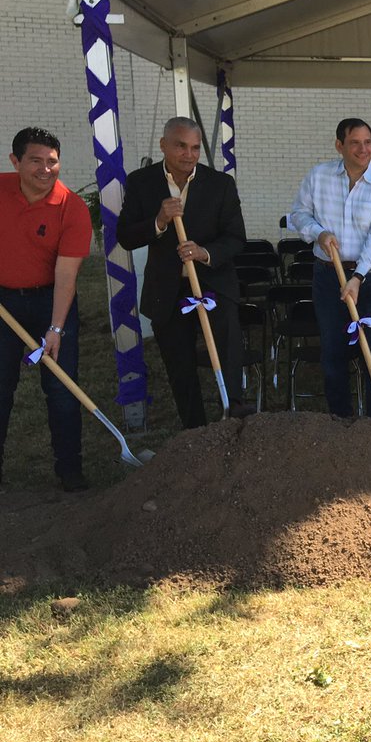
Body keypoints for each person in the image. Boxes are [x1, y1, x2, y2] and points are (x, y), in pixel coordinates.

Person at [118, 117, 250, 428]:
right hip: (167, 289)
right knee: (180, 365)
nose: (189, 155)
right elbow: (126, 236)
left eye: (194, 148)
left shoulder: (220, 184)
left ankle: (233, 420)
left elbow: (236, 238)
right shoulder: (141, 182)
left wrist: (204, 252)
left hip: (213, 285)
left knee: (228, 355)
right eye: (180, 146)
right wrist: (159, 222)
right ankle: (195, 431)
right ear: (163, 145)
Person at [290, 117, 371, 419]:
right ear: (339, 145)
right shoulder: (318, 176)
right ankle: (340, 423)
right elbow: (299, 214)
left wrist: (357, 277)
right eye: (355, 143)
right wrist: (319, 233)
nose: (363, 149)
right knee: (333, 350)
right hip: (328, 275)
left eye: (368, 142)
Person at [0, 128, 93, 490]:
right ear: (16, 161)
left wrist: (55, 329)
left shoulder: (72, 207)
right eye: (35, 161)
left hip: (52, 300)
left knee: (61, 389)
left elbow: (66, 275)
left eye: (52, 161)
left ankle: (70, 469)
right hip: (4, 302)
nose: (45, 169)